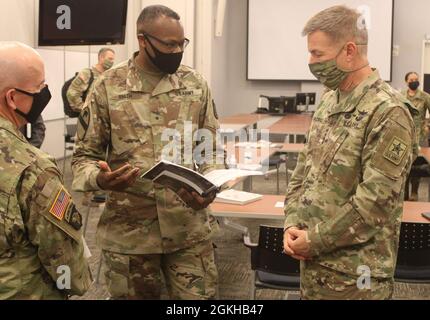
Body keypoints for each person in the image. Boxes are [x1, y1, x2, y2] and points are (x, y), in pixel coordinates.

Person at [72, 5, 223, 300]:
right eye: (169, 44)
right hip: (130, 236)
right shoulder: (107, 87)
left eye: (182, 43)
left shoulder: (195, 84)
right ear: (143, 40)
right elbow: (83, 157)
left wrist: (210, 182)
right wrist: (101, 180)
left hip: (188, 229)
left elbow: (209, 148)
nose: (178, 50)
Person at [282, 5, 418, 300]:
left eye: (317, 54)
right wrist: (292, 222)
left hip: (356, 278)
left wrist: (314, 240)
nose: (311, 62)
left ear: (349, 51)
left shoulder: (388, 112)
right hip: (313, 267)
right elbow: (303, 170)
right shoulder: (330, 101)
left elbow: (374, 205)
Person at [0, 42, 92, 300]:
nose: (45, 94)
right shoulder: (33, 168)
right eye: (39, 88)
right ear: (11, 98)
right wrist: (80, 282)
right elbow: (64, 259)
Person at [402, 72, 430, 201]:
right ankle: (404, 193)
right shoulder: (400, 95)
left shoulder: (425, 97)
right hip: (403, 134)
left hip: (419, 136)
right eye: (411, 79)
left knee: (416, 165)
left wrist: (427, 126)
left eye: (416, 79)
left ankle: (414, 192)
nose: (414, 81)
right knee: (403, 164)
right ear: (406, 81)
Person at [66, 47, 115, 113]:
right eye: (110, 59)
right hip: (91, 118)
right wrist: (86, 111)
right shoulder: (87, 73)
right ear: (101, 58)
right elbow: (72, 94)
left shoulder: (108, 75)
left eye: (113, 60)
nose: (112, 62)